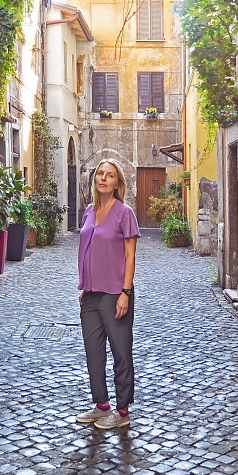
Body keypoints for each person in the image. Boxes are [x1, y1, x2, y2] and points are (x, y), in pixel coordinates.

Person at [75, 158, 140, 429]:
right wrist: (83, 285)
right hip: (90, 294)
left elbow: (130, 254)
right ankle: (102, 405)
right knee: (93, 354)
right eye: (100, 174)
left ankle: (122, 411)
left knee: (121, 353)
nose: (103, 178)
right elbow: (87, 250)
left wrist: (126, 292)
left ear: (117, 183)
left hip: (116, 294)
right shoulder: (89, 211)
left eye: (110, 175)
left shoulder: (124, 213)